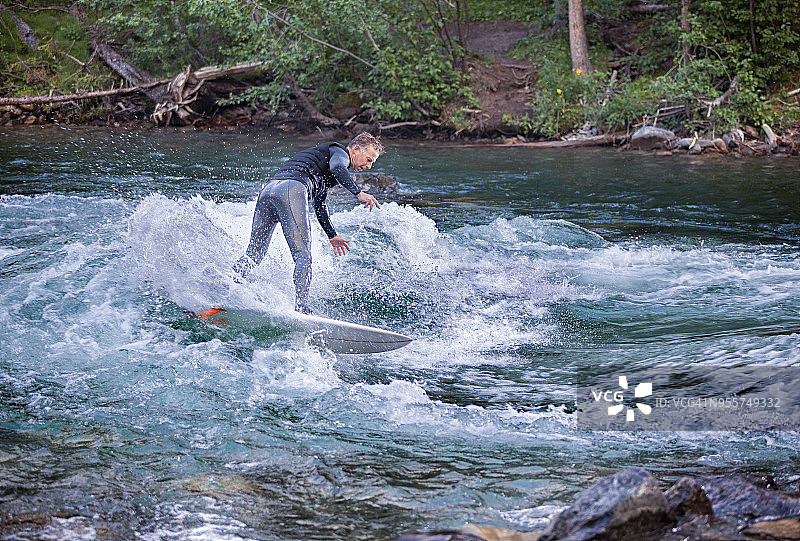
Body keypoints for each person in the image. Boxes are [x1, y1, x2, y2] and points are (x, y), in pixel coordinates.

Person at [233, 132, 383, 314]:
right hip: (291, 189)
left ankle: (227, 284)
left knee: (254, 254)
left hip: (269, 190)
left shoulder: (326, 163)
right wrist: (358, 193)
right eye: (368, 160)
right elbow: (338, 167)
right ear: (356, 149)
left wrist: (332, 235)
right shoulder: (340, 153)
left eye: (371, 163)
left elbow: (320, 203)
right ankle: (301, 308)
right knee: (303, 255)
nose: (368, 166)